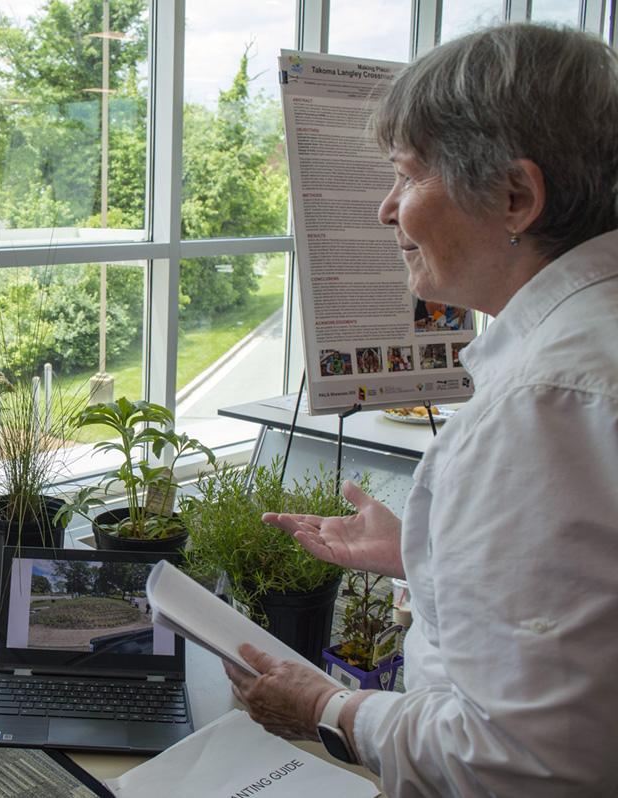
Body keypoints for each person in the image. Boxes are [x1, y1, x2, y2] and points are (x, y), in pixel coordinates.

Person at [225, 23, 618, 797]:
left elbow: (525, 761)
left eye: (406, 176)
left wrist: (328, 708)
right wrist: (428, 554)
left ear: (515, 196)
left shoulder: (542, 409)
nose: (385, 210)